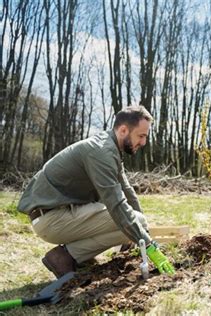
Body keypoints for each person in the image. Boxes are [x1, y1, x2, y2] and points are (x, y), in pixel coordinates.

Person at [18, 105, 174, 278]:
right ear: (123, 130)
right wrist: (149, 244)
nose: (144, 142)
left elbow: (127, 191)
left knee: (136, 222)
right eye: (141, 136)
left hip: (59, 214)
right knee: (132, 221)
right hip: (51, 218)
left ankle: (79, 255)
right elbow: (116, 203)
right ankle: (64, 257)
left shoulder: (110, 147)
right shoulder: (101, 152)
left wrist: (143, 234)